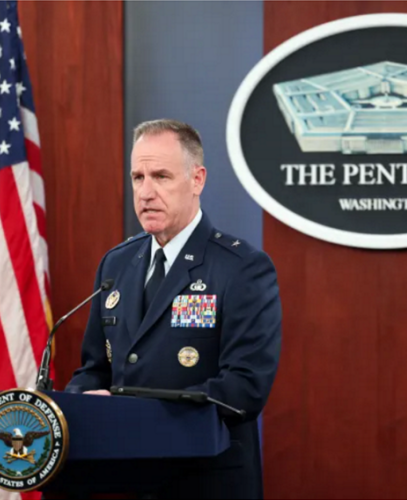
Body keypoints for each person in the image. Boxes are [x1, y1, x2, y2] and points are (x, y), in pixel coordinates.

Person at [65, 119, 282, 499]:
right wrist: (77, 400)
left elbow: (244, 387)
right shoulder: (116, 264)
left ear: (197, 180)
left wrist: (131, 408)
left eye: (161, 177)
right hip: (122, 478)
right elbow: (95, 368)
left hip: (204, 479)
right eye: (138, 177)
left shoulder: (241, 267)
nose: (146, 192)